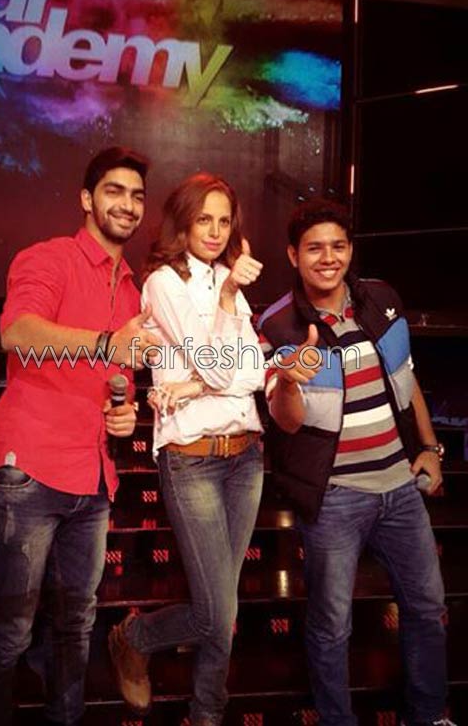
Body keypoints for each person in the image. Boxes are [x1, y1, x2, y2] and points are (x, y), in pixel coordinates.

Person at [0, 146, 160, 726]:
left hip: (93, 477)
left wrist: (125, 415)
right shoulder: (49, 258)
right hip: (29, 466)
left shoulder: (135, 292)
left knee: (77, 624)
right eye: (114, 191)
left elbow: (118, 379)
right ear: (86, 199)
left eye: (137, 196)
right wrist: (105, 344)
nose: (127, 204)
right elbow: (18, 333)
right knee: (10, 628)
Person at [259, 199, 453, 726]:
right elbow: (286, 423)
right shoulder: (277, 324)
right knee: (331, 626)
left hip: (400, 488)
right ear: (293, 255)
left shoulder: (381, 298)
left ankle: (428, 715)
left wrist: (429, 449)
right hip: (334, 499)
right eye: (314, 248)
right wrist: (289, 381)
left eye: (338, 246)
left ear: (350, 250)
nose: (328, 258)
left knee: (427, 607)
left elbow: (407, 380)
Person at [108, 173, 265, 726]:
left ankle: (206, 714)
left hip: (246, 454)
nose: (216, 232)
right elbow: (223, 368)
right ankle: (136, 636)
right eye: (204, 220)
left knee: (225, 608)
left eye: (224, 221)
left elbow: (255, 372)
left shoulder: (229, 278)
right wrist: (225, 303)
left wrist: (194, 386)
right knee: (215, 612)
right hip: (192, 458)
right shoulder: (163, 284)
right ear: (183, 223)